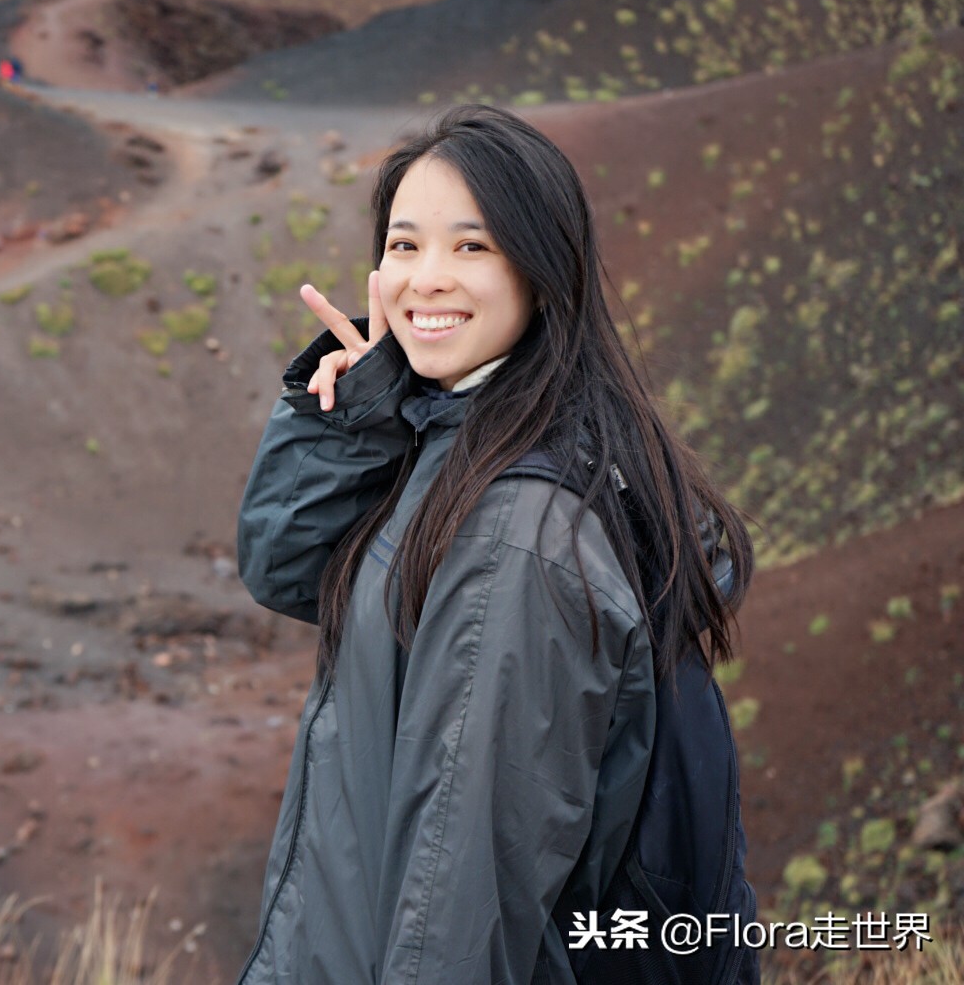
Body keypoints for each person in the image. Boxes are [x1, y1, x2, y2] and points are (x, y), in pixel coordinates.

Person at [234, 105, 754, 984]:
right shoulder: (466, 442)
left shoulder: (516, 533)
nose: (426, 278)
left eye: (472, 247)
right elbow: (287, 567)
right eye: (404, 246)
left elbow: (459, 893)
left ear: (543, 270)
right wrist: (358, 419)